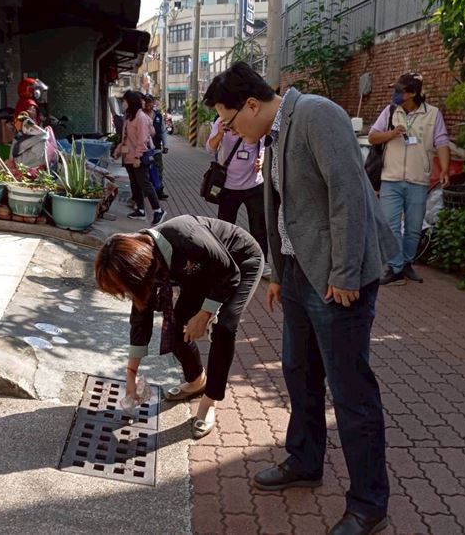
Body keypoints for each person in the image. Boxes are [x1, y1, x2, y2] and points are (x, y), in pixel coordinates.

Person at [203, 62, 398, 535]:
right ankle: (305, 459)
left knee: (350, 390)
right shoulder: (273, 131)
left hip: (337, 278)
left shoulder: (316, 115)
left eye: (229, 121)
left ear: (251, 104)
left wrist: (347, 271)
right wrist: (276, 270)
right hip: (297, 274)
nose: (230, 131)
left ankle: (369, 503)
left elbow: (348, 196)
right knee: (299, 372)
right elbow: (282, 204)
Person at [94, 215, 264, 438]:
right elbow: (140, 313)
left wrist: (204, 314)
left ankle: (209, 401)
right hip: (201, 274)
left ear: (138, 269)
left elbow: (229, 272)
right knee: (175, 329)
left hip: (239, 263)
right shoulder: (146, 259)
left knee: (225, 327)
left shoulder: (188, 236)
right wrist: (131, 372)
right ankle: (196, 381)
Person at [368, 72, 450, 286]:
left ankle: (405, 263)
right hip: (390, 179)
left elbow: (442, 142)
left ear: (413, 93)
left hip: (418, 180)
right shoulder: (390, 111)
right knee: (391, 226)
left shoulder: (432, 114)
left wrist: (445, 170)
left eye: (399, 90)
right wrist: (391, 133)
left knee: (413, 228)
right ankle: (395, 267)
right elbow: (372, 136)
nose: (395, 94)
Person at [206, 116, 270, 278]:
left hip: (254, 185)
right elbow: (210, 147)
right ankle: (224, 263)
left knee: (259, 228)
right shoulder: (222, 120)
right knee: (225, 228)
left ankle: (261, 263)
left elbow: (263, 146)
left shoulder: (256, 119)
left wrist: (261, 159)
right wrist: (220, 133)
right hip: (228, 186)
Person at [113, 90, 166, 226]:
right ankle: (140, 210)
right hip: (129, 157)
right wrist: (119, 150)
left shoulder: (141, 118)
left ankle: (158, 210)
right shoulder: (129, 117)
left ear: (130, 102)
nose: (123, 103)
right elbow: (125, 138)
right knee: (135, 184)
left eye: (124, 101)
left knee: (144, 183)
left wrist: (138, 156)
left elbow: (143, 139)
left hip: (139, 157)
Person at [143, 93, 169, 200]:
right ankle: (146, 192)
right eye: (146, 101)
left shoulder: (158, 116)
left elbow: (163, 131)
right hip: (144, 149)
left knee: (159, 169)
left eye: (150, 101)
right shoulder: (140, 115)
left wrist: (166, 144)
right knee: (145, 172)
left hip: (156, 148)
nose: (148, 104)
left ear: (153, 103)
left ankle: (159, 191)